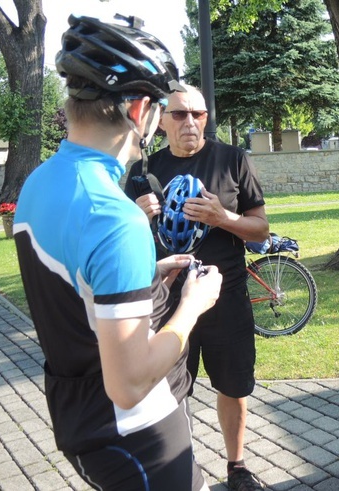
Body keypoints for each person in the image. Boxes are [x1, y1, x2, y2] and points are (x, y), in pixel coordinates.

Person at [13, 15, 222, 490]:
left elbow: (74, 286)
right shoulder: (114, 216)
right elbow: (127, 384)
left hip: (79, 419)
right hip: (137, 435)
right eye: (162, 108)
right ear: (138, 110)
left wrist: (145, 273)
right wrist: (193, 305)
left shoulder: (39, 184)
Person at [124, 84, 269, 491]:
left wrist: (223, 217)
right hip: (168, 303)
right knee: (168, 392)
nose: (191, 122)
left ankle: (237, 467)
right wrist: (135, 218)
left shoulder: (233, 160)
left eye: (199, 114)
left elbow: (260, 229)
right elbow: (124, 242)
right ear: (164, 120)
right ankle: (179, 467)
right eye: (180, 114)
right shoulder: (142, 171)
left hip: (226, 299)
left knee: (234, 385)